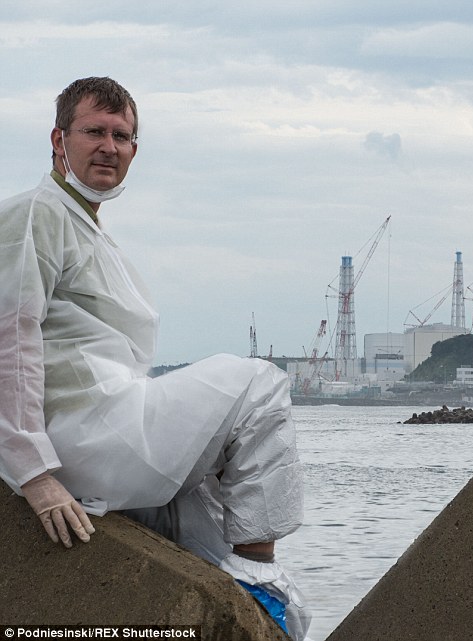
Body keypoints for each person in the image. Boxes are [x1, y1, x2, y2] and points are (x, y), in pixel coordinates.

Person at [0, 77, 311, 640]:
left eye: (122, 136)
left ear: (135, 151)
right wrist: (34, 475)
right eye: (93, 131)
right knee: (259, 384)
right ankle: (259, 574)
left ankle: (258, 602)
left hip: (108, 433)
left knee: (212, 546)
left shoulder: (87, 227)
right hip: (80, 434)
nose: (109, 147)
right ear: (58, 139)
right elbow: (9, 340)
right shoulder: (35, 215)